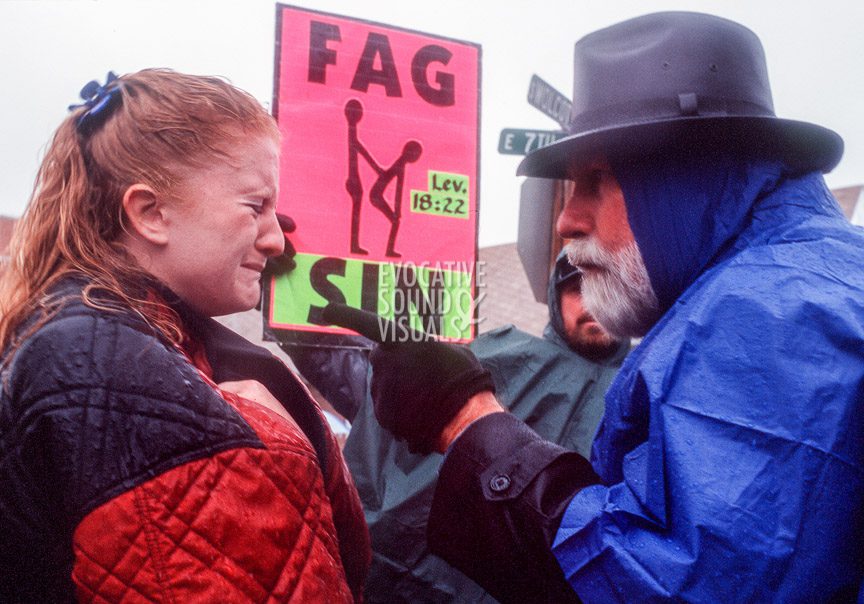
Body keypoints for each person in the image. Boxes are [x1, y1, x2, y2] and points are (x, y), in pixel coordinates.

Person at [337, 12, 864, 603]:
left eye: (596, 180)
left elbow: (667, 585)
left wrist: (471, 423)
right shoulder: (810, 281)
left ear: (685, 174)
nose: (567, 220)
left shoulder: (765, 314)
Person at [0, 69, 369, 602]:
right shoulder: (114, 369)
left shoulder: (93, 339)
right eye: (255, 206)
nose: (278, 240)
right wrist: (270, 438)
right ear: (151, 213)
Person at [288, 252, 629, 602]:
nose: (592, 303)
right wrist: (291, 293)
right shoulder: (501, 352)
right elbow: (382, 400)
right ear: (555, 299)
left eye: (604, 287)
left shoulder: (645, 398)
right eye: (576, 288)